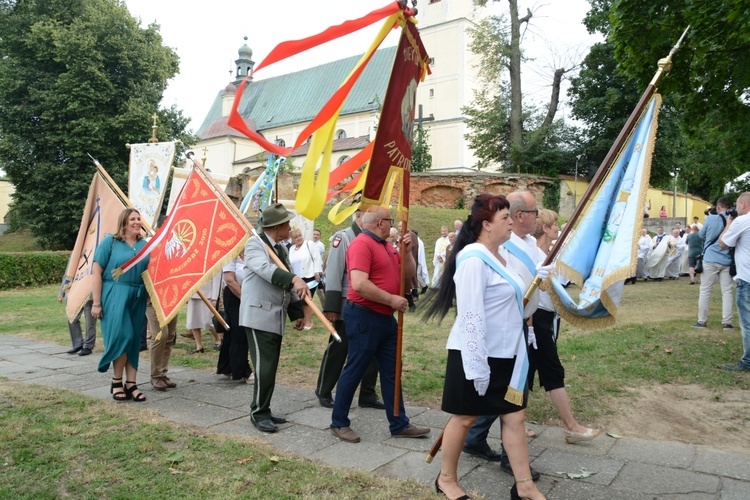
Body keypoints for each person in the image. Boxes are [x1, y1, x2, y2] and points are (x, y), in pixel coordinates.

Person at [425, 194, 545, 500]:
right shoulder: (473, 259)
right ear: (486, 225)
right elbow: (470, 315)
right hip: (474, 353)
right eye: (505, 217)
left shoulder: (504, 257)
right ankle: (447, 479)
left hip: (508, 353)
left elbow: (520, 309)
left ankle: (524, 485)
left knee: (515, 417)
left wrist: (537, 286)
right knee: (465, 417)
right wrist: (477, 367)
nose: (511, 222)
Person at [463, 191, 549, 481]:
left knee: (512, 401)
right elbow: (478, 304)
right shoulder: (497, 246)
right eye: (533, 212)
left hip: (521, 326)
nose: (535, 218)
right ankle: (457, 469)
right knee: (499, 396)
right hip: (500, 334)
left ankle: (509, 466)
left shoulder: (527, 244)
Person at [329, 206, 430, 443]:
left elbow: (408, 274)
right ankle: (339, 422)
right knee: (355, 369)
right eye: (390, 220)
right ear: (381, 223)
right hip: (365, 316)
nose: (393, 224)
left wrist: (406, 252)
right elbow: (359, 284)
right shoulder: (362, 244)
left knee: (392, 371)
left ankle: (399, 423)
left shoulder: (386, 246)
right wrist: (392, 299)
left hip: (385, 318)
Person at [531, 209, 601, 442]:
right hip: (536, 319)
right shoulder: (534, 254)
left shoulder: (549, 254)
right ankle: (571, 426)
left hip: (547, 318)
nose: (558, 230)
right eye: (555, 226)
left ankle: (510, 424)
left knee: (528, 371)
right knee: (549, 370)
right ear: (545, 228)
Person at [240, 203, 308, 433]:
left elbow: (286, 285)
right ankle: (258, 413)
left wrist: (296, 313)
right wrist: (294, 279)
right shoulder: (255, 244)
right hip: (258, 314)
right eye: (287, 224)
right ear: (277, 227)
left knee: (270, 367)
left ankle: (264, 408)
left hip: (274, 316)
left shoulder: (279, 249)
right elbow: (265, 270)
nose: (290, 228)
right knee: (264, 368)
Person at [315, 210, 384, 410]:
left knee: (371, 351)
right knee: (338, 348)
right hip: (347, 304)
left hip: (371, 304)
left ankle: (368, 394)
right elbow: (335, 272)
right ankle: (324, 390)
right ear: (359, 216)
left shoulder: (375, 238)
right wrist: (332, 307)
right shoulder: (343, 237)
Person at [91, 208, 149, 402]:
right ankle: (116, 381)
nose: (136, 222)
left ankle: (131, 384)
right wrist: (96, 303)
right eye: (132, 219)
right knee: (123, 336)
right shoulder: (111, 242)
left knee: (135, 341)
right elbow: (96, 272)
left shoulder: (145, 245)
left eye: (139, 219)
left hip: (138, 295)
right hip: (114, 293)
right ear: (124, 222)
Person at [719, 192, 750, 371]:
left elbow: (723, 243)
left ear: (743, 205)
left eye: (737, 205)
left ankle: (747, 362)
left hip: (747, 278)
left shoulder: (742, 221)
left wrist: (729, 223)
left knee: (747, 323)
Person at [694, 198, 735, 329]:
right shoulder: (734, 221)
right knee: (727, 291)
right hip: (727, 259)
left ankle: (702, 321)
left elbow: (701, 235)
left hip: (711, 258)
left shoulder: (711, 219)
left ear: (718, 207)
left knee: (705, 290)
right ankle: (727, 322)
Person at [217, 251, 254, 384]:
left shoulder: (251, 253)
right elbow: (229, 280)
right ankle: (244, 371)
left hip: (250, 294)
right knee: (239, 333)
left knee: (233, 333)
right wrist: (245, 298)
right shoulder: (230, 255)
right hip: (235, 295)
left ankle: (226, 366)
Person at [288, 227, 324, 330]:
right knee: (300, 300)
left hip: (310, 276)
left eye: (299, 236)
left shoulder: (309, 244)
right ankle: (302, 320)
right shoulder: (291, 249)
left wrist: (317, 272)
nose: (298, 238)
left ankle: (309, 321)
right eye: (295, 237)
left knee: (306, 300)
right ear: (292, 239)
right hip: (298, 278)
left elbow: (317, 258)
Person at [183, 273, 223, 353]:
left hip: (208, 295)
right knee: (193, 321)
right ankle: (199, 346)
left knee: (207, 322)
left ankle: (218, 338)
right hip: (193, 293)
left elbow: (217, 280)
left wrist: (214, 298)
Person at [58, 290, 96, 356]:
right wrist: (62, 292)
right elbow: (67, 279)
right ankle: (78, 344)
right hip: (75, 294)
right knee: (72, 318)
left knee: (90, 321)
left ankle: (88, 346)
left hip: (89, 294)